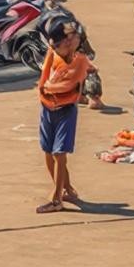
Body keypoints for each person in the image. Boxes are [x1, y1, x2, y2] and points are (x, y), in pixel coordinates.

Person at [36, 20, 92, 213]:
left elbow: (65, 86)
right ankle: (66, 188)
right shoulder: (52, 55)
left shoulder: (81, 59)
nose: (72, 41)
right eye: (68, 38)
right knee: (49, 151)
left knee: (60, 153)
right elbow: (43, 81)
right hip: (47, 108)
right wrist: (44, 94)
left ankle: (57, 199)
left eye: (74, 37)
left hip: (66, 109)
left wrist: (47, 89)